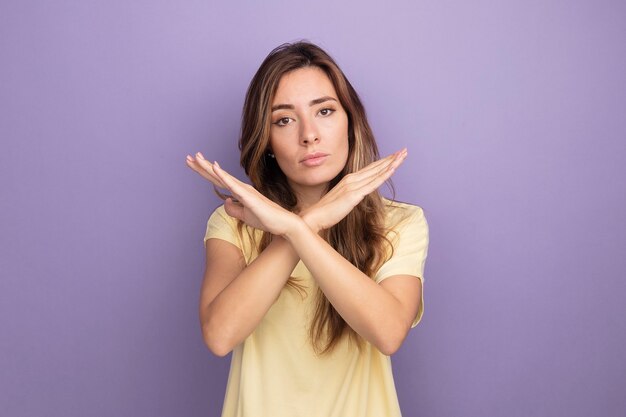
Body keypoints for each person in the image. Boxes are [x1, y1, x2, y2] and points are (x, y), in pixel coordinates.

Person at [185, 41, 429, 417]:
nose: (309, 135)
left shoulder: (398, 223)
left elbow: (388, 332)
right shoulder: (233, 225)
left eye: (325, 111)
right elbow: (219, 335)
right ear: (265, 142)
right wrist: (306, 227)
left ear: (350, 121)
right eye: (284, 120)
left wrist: (296, 229)